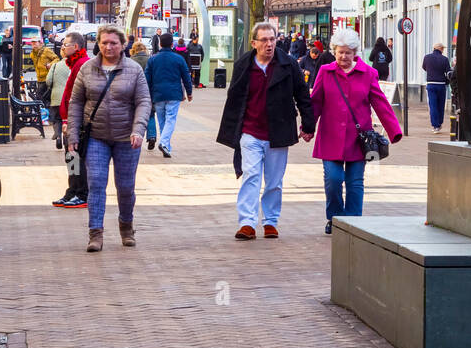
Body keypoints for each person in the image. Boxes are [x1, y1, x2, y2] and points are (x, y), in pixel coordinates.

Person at [216, 22, 314, 240]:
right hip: (250, 131)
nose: (269, 44)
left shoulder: (288, 64)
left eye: (272, 39)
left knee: (274, 180)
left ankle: (270, 221)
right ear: (254, 43)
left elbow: (302, 95)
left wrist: (308, 125)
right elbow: (234, 98)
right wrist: (232, 130)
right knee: (250, 175)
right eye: (264, 40)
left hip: (278, 131)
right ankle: (247, 223)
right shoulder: (244, 65)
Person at [307, 27, 403, 234]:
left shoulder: (369, 74)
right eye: (340, 52)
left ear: (355, 52)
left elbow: (380, 103)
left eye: (348, 52)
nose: (343, 56)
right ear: (334, 51)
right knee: (333, 180)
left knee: (355, 182)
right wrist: (308, 128)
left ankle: (352, 223)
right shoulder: (326, 72)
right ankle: (335, 218)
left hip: (358, 139)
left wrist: (394, 130)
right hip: (330, 135)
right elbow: (315, 102)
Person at [66, 26, 151, 251]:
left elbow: (144, 102)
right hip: (96, 137)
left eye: (113, 43)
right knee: (96, 184)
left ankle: (126, 226)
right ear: (98, 44)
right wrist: (72, 134)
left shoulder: (134, 70)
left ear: (123, 45)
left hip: (126, 138)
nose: (108, 47)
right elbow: (75, 103)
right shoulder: (87, 68)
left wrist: (138, 130)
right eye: (104, 42)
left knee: (125, 187)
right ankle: (95, 233)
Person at [53, 32, 91, 208]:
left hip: (76, 120)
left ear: (75, 47)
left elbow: (76, 97)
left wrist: (69, 120)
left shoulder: (82, 65)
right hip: (70, 119)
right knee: (71, 157)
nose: (62, 48)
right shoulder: (75, 64)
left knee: (75, 156)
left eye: (65, 45)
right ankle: (73, 190)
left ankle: (81, 192)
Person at [145, 32, 193, 158]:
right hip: (173, 94)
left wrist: (147, 95)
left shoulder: (153, 59)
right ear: (172, 44)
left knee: (162, 120)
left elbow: (147, 79)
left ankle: (166, 145)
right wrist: (189, 92)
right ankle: (164, 143)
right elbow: (186, 76)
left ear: (160, 44)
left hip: (158, 95)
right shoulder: (179, 59)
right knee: (171, 119)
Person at [129, 40, 159, 149]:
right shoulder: (150, 61)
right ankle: (152, 136)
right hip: (149, 91)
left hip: (133, 92)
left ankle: (135, 137)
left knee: (134, 116)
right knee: (150, 115)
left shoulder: (130, 61)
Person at [422, 42, 451, 133]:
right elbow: (448, 72)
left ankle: (435, 126)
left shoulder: (427, 57)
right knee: (440, 105)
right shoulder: (445, 59)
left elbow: (424, 67)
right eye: (443, 49)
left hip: (431, 84)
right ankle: (439, 123)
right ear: (441, 49)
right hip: (441, 84)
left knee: (433, 105)